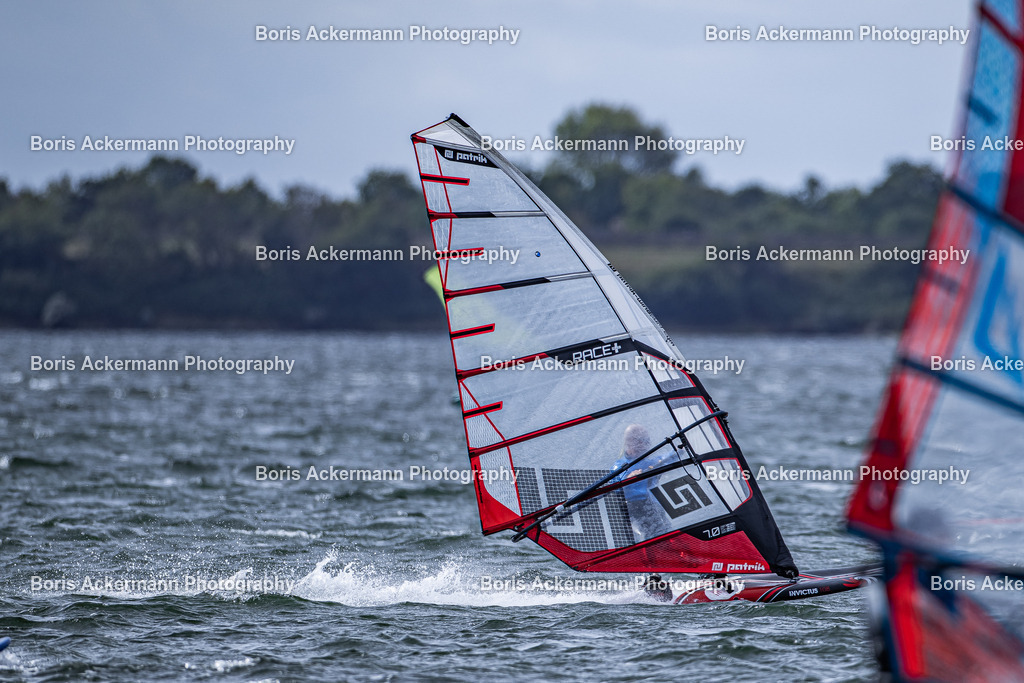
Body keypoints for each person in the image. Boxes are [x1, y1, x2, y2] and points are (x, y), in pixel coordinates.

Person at [610, 424, 675, 540]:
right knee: (652, 543)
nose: (647, 445)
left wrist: (684, 446)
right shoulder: (619, 466)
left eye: (647, 440)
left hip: (655, 509)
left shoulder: (650, 461)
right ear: (630, 443)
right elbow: (615, 487)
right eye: (642, 441)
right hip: (635, 511)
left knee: (670, 538)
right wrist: (628, 478)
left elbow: (673, 455)